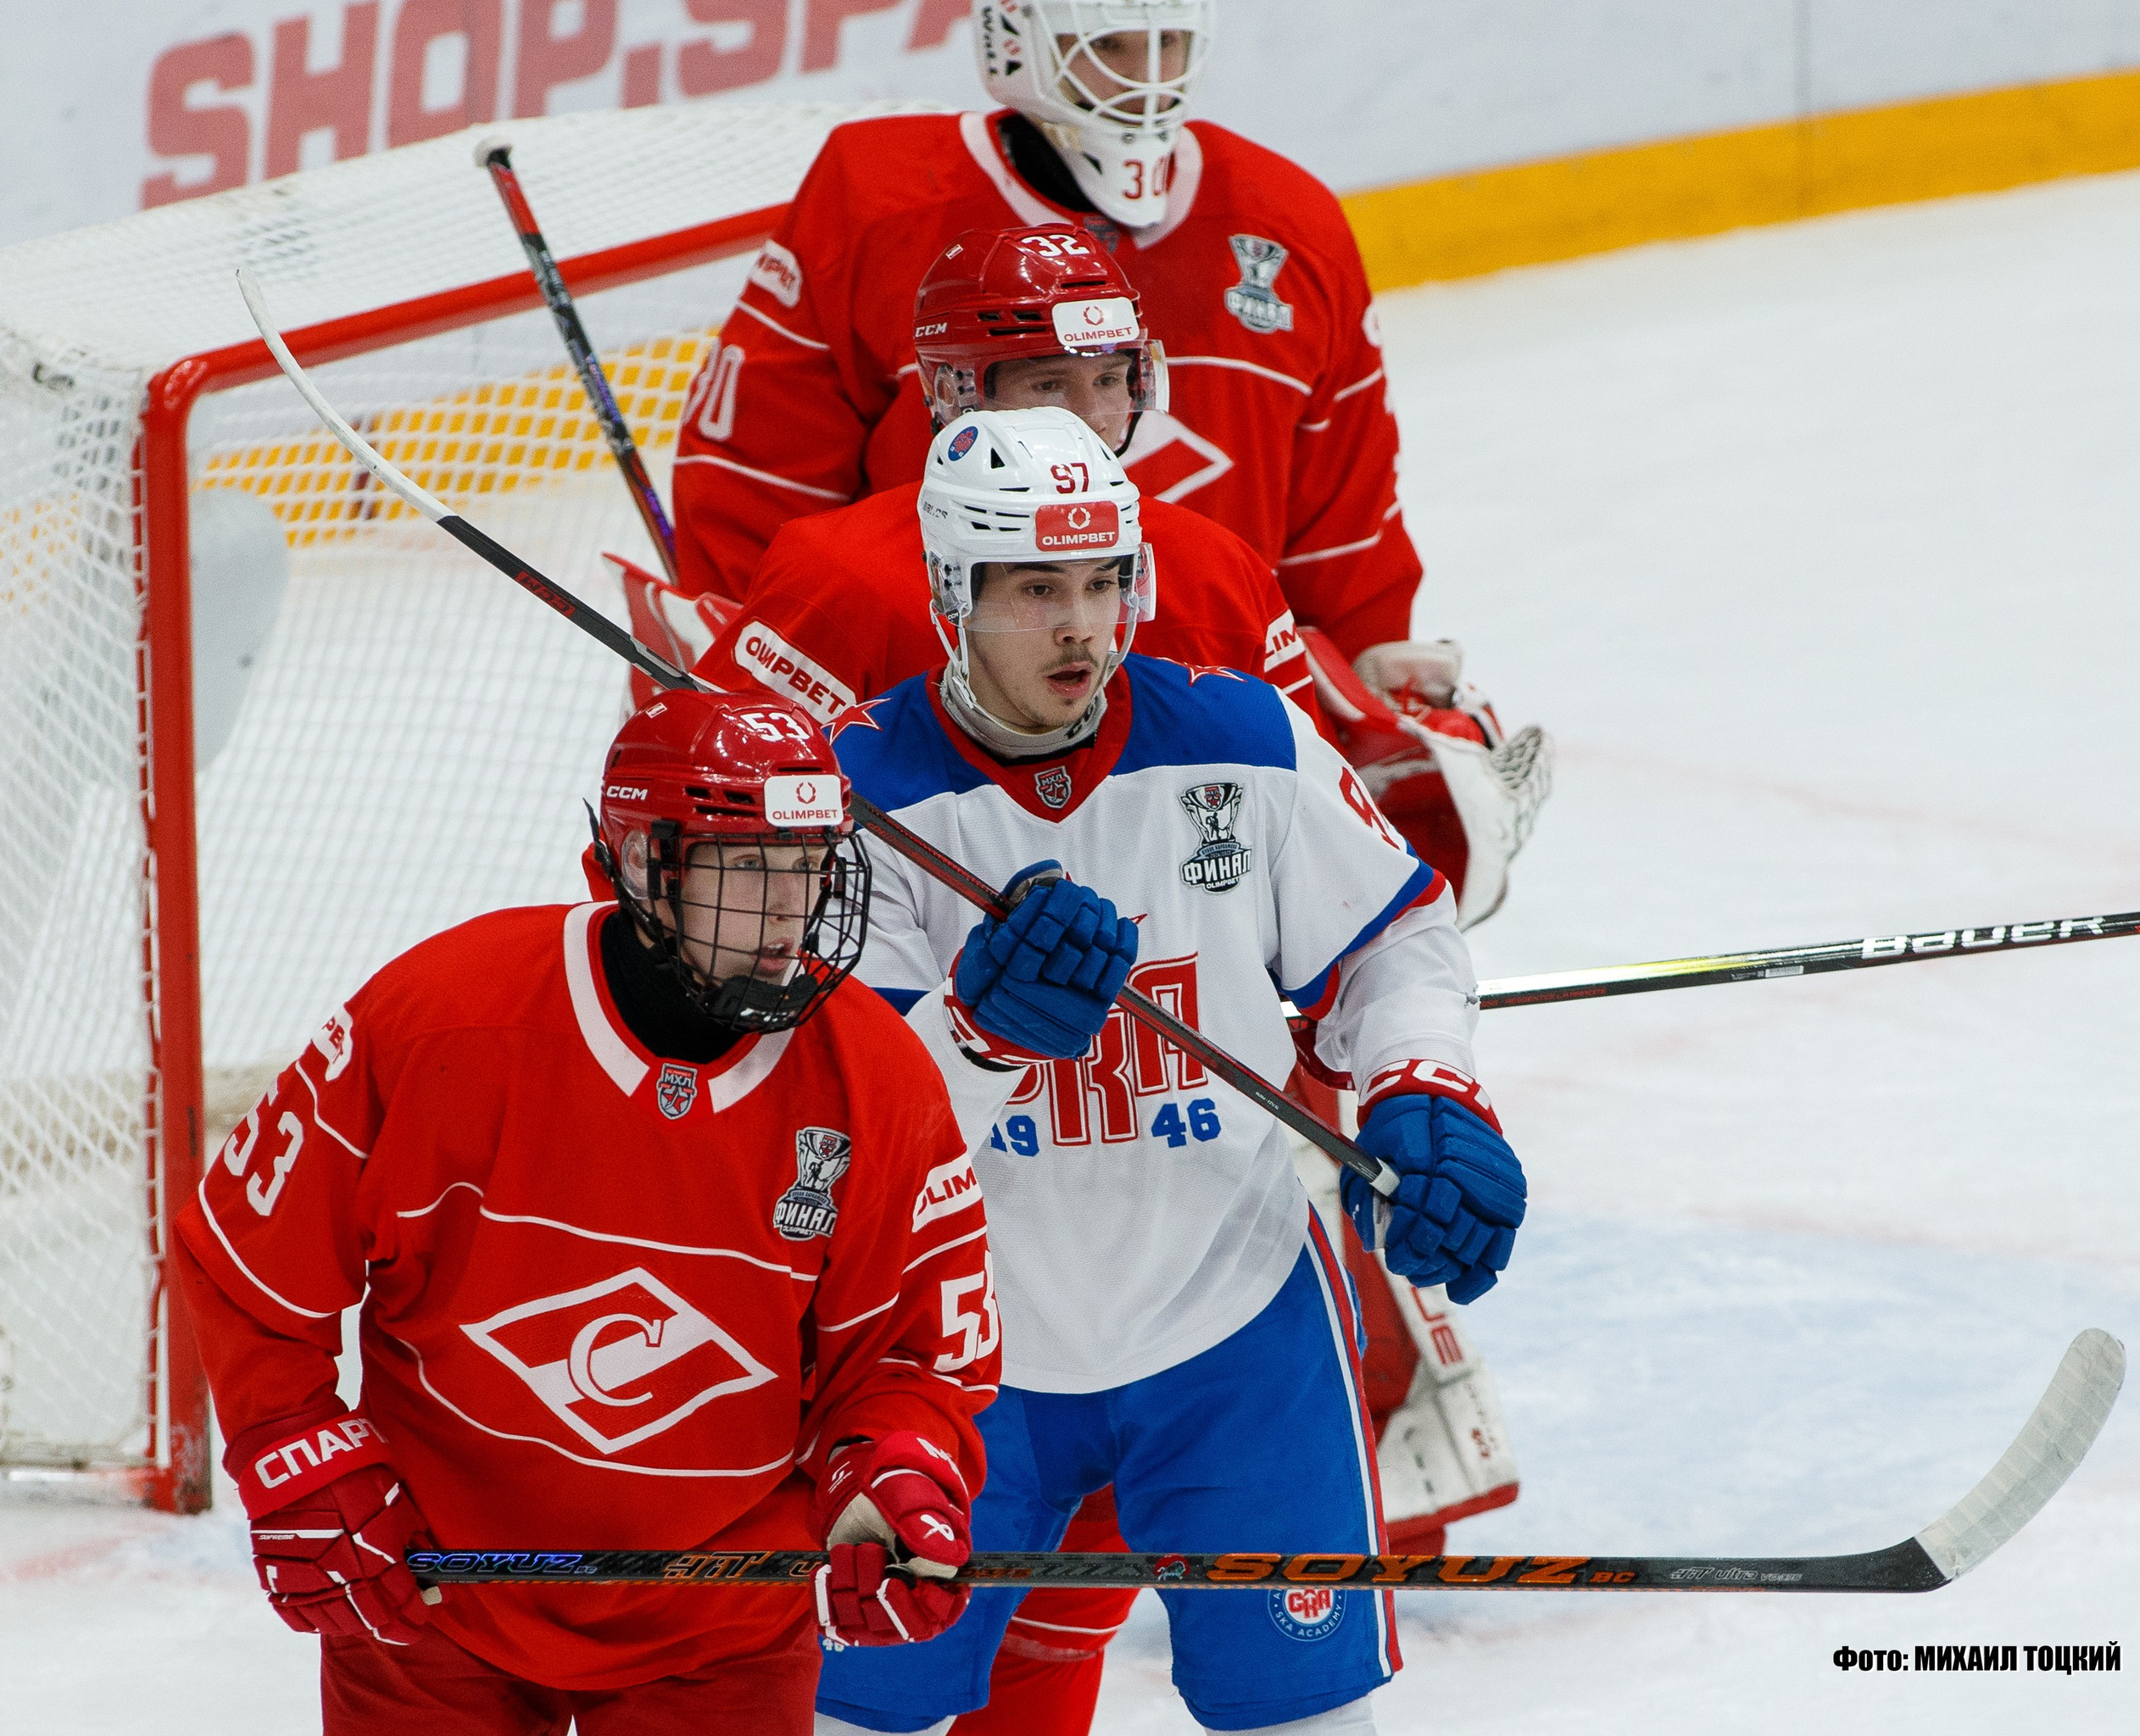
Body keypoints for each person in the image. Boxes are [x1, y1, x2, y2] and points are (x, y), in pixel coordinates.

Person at [810, 407, 1528, 1736]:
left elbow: (1395, 941)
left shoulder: (1246, 741)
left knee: (1311, 1723)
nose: (1083, 628)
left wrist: (1424, 1085)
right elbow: (847, 1129)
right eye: (1038, 590)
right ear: (952, 591)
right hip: (949, 1357)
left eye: (1105, 582)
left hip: (1235, 1327)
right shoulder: (858, 794)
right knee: (850, 1720)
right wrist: (980, 1033)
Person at [173, 689, 1000, 1733]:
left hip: (724, 1618)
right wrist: (297, 1446)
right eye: (750, 866)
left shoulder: (875, 1077)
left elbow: (908, 1357)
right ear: (643, 863)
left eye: (808, 866)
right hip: (436, 1594)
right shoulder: (443, 1020)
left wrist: (889, 1474)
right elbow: (248, 1255)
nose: (788, 911)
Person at [667, 0, 1549, 908]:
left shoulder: (1289, 227)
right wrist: (762, 656)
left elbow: (1345, 520)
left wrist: (1364, 683)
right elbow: (750, 481)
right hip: (937, 758)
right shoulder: (878, 198)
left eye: (1169, 44)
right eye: (1113, 46)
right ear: (1016, 36)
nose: (1147, 78)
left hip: (1203, 728)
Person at [697, 222, 1312, 730]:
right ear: (952, 393)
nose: (1091, 419)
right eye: (1048, 385)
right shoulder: (837, 577)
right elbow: (720, 810)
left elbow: (1303, 807)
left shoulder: (1222, 570)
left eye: (1108, 380)